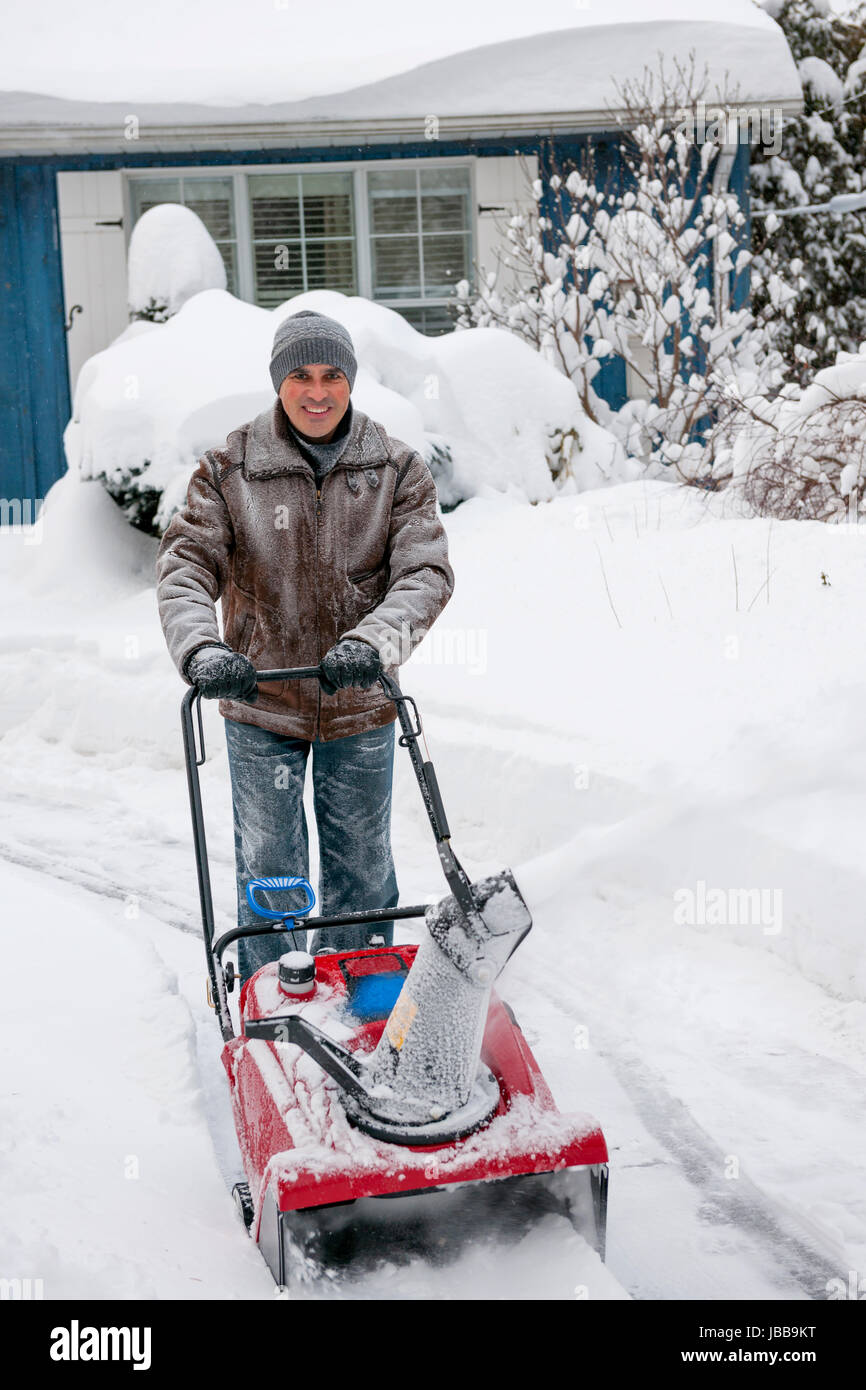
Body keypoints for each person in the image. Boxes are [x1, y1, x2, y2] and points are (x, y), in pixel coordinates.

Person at [156, 309, 455, 979]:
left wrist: (374, 642)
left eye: (331, 376)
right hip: (259, 700)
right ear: (278, 381)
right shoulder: (229, 469)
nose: (316, 392)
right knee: (272, 873)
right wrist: (203, 650)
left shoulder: (395, 468)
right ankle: (269, 1000)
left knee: (364, 868)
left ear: (350, 382)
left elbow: (425, 573)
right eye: (300, 375)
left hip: (360, 702)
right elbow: (185, 566)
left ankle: (366, 993)